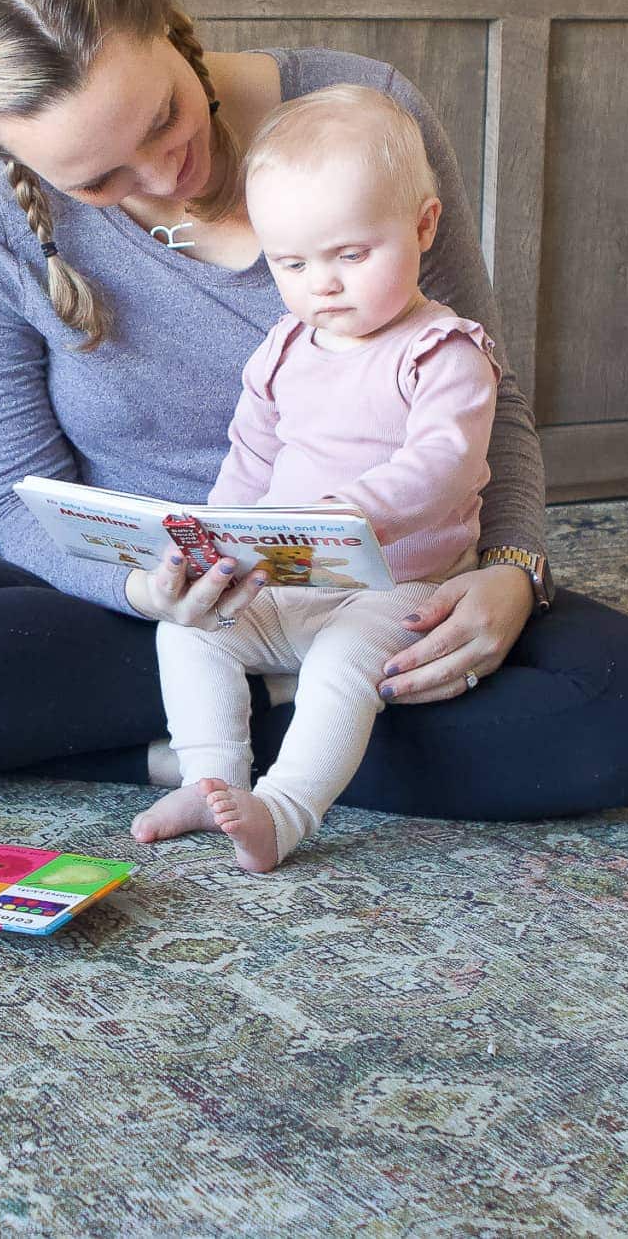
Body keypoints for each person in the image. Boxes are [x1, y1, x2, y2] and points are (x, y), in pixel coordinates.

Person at [0, 0, 628, 825]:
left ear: (174, 30)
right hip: (152, 607)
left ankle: (193, 748)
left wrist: (514, 571)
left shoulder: (357, 116)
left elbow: (482, 395)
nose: (167, 175)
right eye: (99, 180)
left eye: (165, 116)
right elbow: (15, 504)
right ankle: (283, 741)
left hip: (387, 589)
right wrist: (150, 596)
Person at [139, 84, 500, 871]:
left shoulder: (443, 351)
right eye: (291, 263)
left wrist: (346, 512)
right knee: (189, 631)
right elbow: (250, 458)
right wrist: (214, 542)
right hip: (288, 580)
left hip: (397, 590)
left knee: (342, 666)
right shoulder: (283, 347)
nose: (322, 284)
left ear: (424, 225)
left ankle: (287, 809)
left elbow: (446, 465)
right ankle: (212, 774)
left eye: (351, 255)